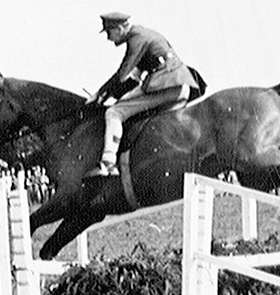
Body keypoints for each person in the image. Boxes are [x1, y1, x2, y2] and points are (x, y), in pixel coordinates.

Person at [85, 12, 198, 176]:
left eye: (109, 32)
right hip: (179, 85)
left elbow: (122, 74)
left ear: (120, 28)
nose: (108, 38)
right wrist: (111, 96)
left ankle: (108, 163)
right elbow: (134, 78)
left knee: (114, 113)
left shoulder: (136, 39)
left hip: (167, 86)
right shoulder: (147, 34)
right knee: (124, 105)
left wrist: (99, 95)